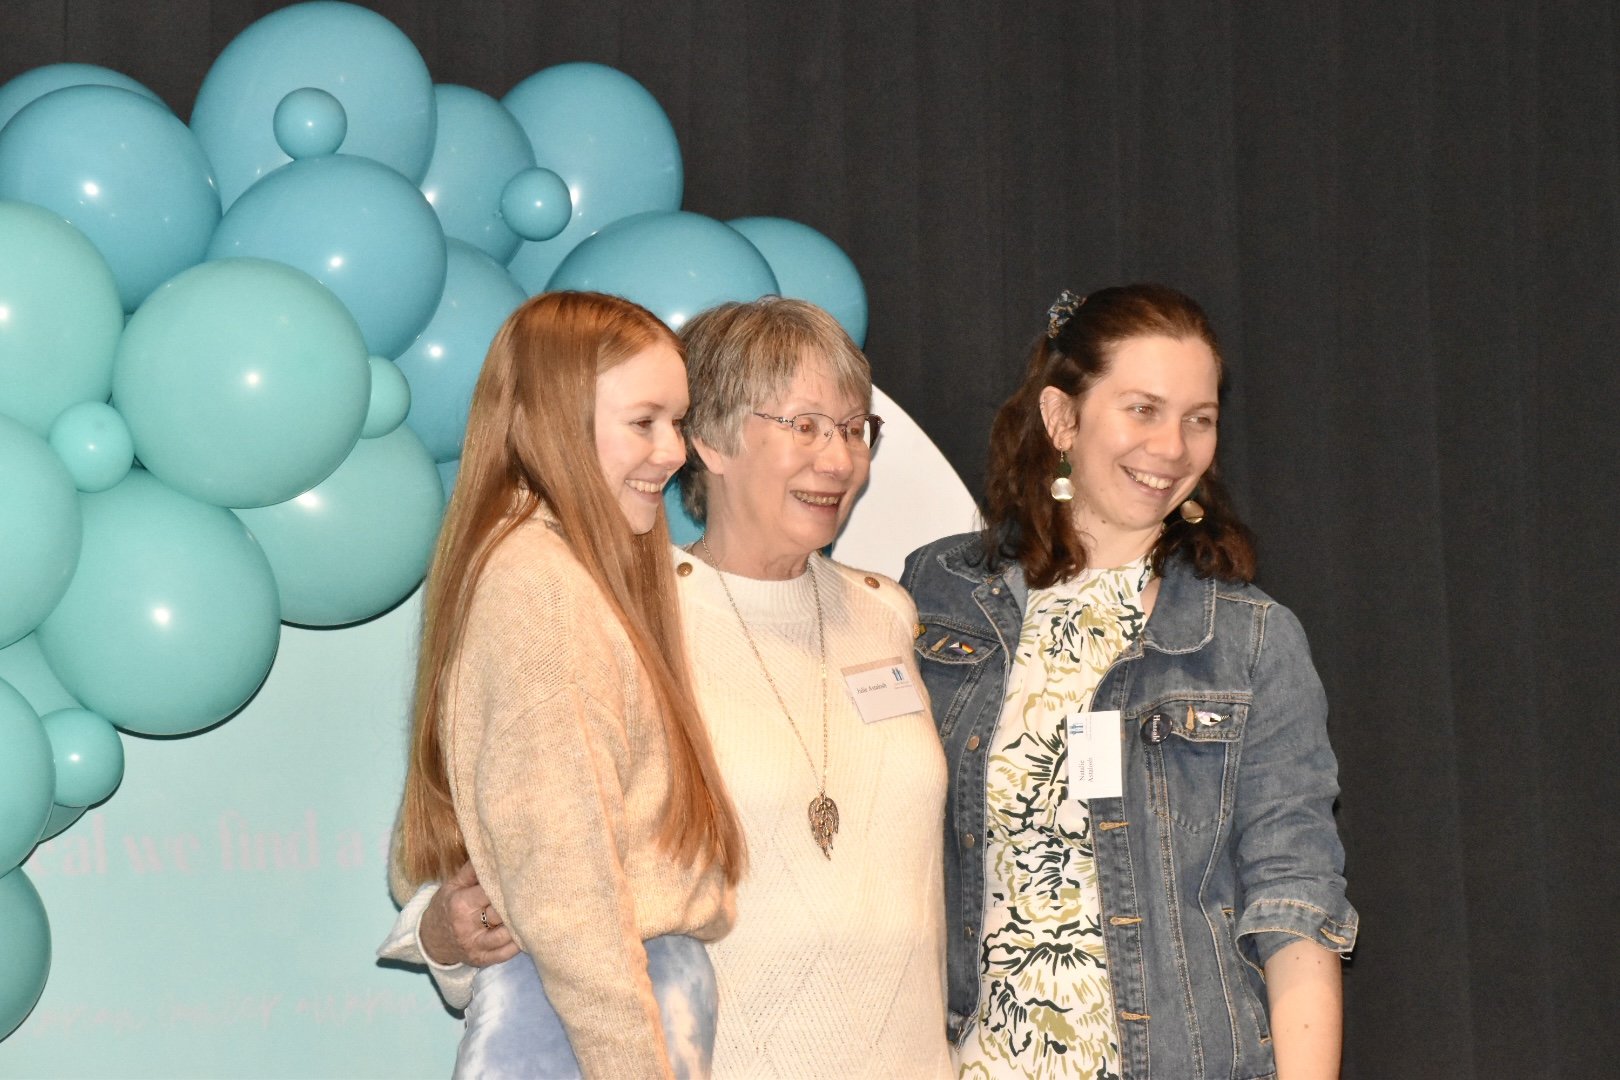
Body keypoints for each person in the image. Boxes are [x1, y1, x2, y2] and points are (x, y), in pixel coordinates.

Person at [382, 297, 954, 1079]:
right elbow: (495, 858)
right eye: (806, 425)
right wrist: (447, 932)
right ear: (710, 442)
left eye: (856, 430)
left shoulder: (889, 614)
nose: (839, 459)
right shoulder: (622, 614)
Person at [901, 283, 1357, 1080]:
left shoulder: (1250, 641)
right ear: (1062, 418)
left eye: (1199, 419)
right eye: (1143, 409)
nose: (1173, 448)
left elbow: (1296, 903)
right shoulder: (939, 594)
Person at [387, 290, 746, 1080]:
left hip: (585, 1015)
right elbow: (569, 894)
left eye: (677, 422)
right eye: (644, 422)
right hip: (582, 1027)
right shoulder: (542, 586)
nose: (674, 451)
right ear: (553, 417)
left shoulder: (547, 569)